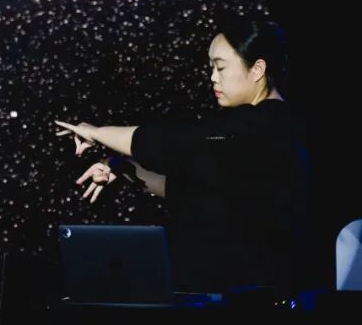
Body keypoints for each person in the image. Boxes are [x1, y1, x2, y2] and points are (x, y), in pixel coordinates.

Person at [53, 18, 315, 294]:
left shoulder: (268, 128)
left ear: (257, 69)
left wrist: (96, 132)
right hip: (215, 295)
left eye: (221, 67)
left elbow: (174, 144)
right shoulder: (236, 132)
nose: (213, 77)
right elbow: (183, 186)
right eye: (211, 67)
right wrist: (119, 166)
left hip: (255, 301)